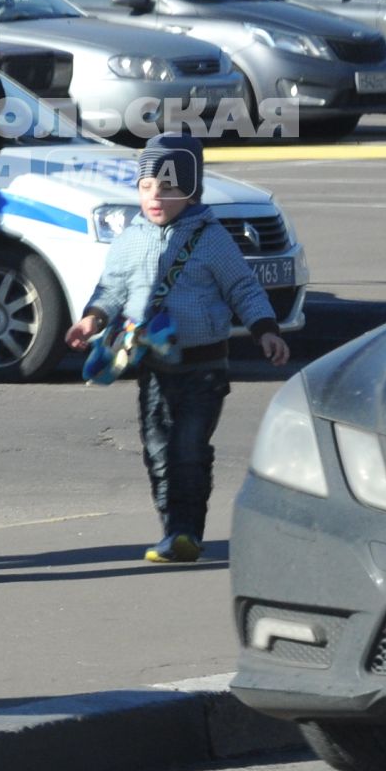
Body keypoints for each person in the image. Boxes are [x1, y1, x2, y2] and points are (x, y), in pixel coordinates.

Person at [65, 133, 290, 563]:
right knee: (157, 450)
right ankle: (171, 530)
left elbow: (243, 288)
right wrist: (91, 319)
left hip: (204, 367)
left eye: (168, 189)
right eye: (147, 186)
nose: (155, 197)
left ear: (191, 192)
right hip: (152, 365)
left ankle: (188, 530)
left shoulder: (211, 239)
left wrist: (266, 329)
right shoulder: (131, 237)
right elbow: (112, 288)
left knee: (189, 448)